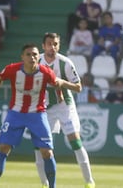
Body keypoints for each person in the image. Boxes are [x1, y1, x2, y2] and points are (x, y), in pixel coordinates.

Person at [0, 43, 75, 188]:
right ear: (22, 57)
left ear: (38, 57)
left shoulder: (45, 72)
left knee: (47, 152)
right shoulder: (12, 69)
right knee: (3, 148)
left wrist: (67, 89)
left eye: (35, 54)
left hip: (37, 114)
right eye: (28, 54)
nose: (32, 57)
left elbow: (57, 84)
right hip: (16, 114)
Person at [36, 33, 95, 188]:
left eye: (55, 44)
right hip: (45, 108)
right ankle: (44, 183)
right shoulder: (37, 61)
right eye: (49, 44)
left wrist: (62, 82)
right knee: (41, 146)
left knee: (75, 141)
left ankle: (89, 182)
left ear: (59, 45)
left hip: (64, 106)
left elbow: (79, 87)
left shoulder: (65, 63)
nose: (52, 47)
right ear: (43, 46)